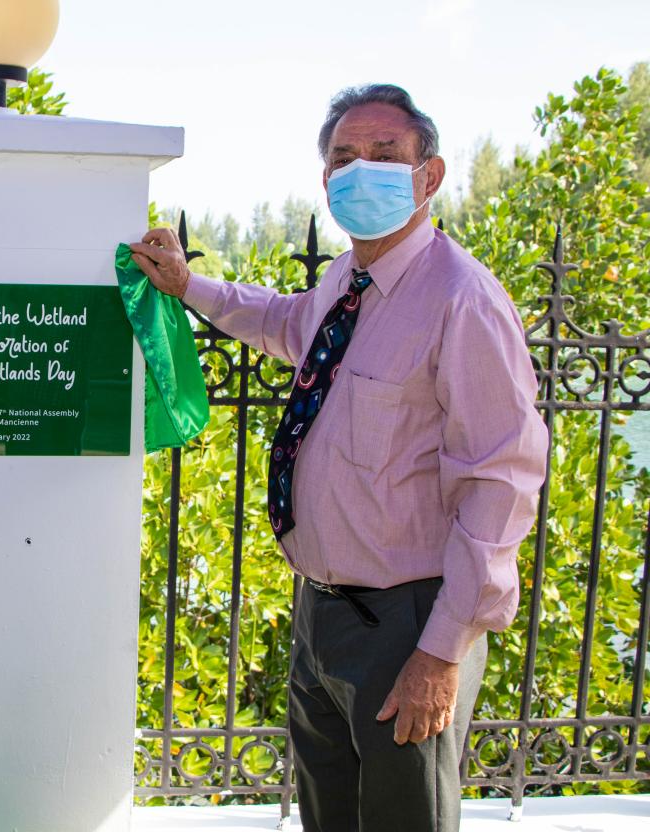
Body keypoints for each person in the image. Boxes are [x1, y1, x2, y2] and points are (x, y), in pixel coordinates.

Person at [129, 85, 548, 831]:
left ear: (431, 175)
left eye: (386, 155)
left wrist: (440, 654)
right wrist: (189, 286)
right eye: (343, 158)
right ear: (325, 182)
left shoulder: (462, 300)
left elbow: (501, 483)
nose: (362, 170)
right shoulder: (343, 285)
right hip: (322, 617)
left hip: (409, 624)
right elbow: (285, 323)